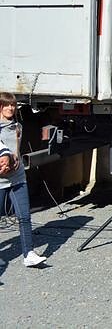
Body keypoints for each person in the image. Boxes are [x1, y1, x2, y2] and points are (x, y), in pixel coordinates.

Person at [0, 92, 47, 268]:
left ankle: (29, 253)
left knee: (25, 216)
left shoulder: (18, 126)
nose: (11, 108)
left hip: (18, 177)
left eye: (13, 105)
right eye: (6, 105)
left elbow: (17, 151)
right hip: (0, 180)